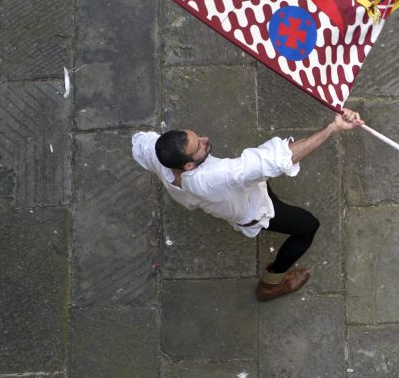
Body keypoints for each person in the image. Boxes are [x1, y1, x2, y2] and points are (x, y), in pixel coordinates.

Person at [131, 109, 364, 301]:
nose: (205, 140)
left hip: (232, 195)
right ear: (189, 166)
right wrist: (333, 128)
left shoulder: (155, 150)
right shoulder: (217, 176)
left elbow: (138, 142)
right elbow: (276, 160)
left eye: (197, 137)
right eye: (199, 146)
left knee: (258, 176)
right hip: (256, 210)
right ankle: (271, 284)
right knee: (309, 226)